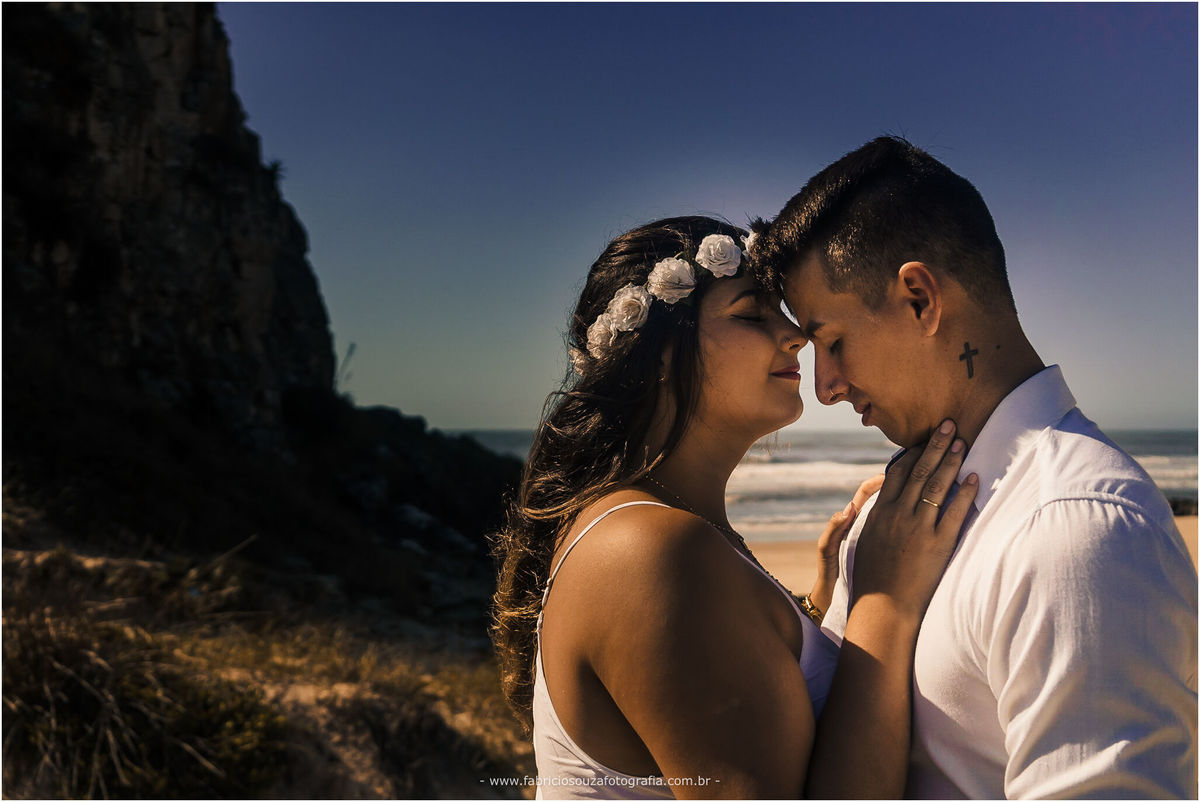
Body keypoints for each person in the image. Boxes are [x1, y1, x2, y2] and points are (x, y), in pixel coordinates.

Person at [749, 136, 1199, 798]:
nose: (826, 388)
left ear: (920, 300)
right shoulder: (886, 516)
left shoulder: (1077, 535)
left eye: (834, 343)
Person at [490, 216, 978, 799]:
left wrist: (815, 612)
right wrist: (884, 601)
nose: (796, 334)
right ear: (658, 356)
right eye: (752, 314)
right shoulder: (648, 552)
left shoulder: (666, 530)